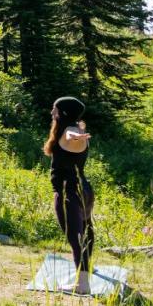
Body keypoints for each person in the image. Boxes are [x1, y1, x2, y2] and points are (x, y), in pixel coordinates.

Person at [45, 95, 95, 295]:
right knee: (85, 232)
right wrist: (77, 131)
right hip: (83, 190)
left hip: (70, 193)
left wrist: (75, 135)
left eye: (55, 109)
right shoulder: (73, 127)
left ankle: (82, 285)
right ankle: (85, 275)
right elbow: (73, 131)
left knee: (76, 237)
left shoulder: (69, 131)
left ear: (63, 113)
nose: (52, 113)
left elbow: (70, 135)